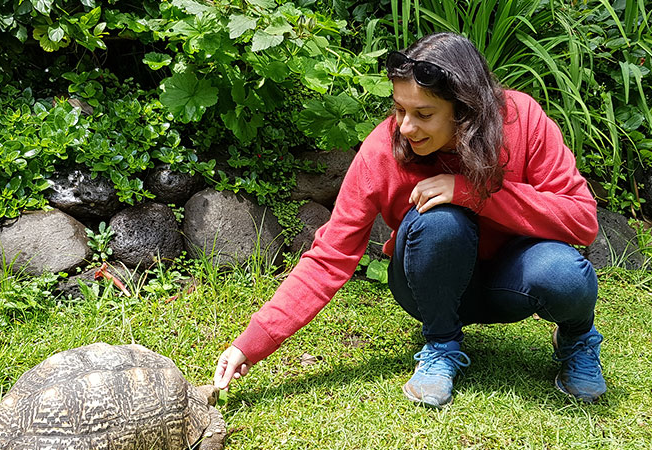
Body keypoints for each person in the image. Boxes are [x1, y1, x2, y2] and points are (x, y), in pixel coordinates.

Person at [214, 32, 606, 407]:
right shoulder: (383, 148)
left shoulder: (522, 119)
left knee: (565, 273)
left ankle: (576, 338)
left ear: (466, 111)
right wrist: (250, 343)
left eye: (423, 113)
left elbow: (582, 219)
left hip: (514, 283)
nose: (405, 126)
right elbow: (331, 256)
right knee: (439, 221)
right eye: (400, 109)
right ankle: (441, 345)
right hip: (429, 284)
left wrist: (473, 191)